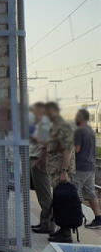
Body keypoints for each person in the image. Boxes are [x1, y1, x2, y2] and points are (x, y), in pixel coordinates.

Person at [45, 102, 76, 242]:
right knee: (59, 201)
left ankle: (65, 233)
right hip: (55, 171)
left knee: (64, 202)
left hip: (61, 172)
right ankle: (62, 230)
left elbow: (67, 151)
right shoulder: (55, 127)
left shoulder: (64, 127)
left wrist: (64, 171)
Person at [73, 109, 101, 229]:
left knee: (74, 192)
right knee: (91, 193)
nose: (75, 118)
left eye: (77, 116)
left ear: (81, 118)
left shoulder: (79, 131)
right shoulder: (90, 130)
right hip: (90, 166)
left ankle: (76, 217)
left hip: (80, 167)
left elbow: (76, 149)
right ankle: (98, 218)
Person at [30, 102, 54, 234]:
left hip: (39, 161)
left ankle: (49, 224)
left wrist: (40, 162)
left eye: (34, 111)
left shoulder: (44, 125)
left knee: (44, 195)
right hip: (36, 160)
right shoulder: (40, 124)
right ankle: (44, 222)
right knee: (41, 195)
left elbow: (46, 146)